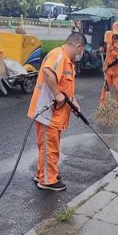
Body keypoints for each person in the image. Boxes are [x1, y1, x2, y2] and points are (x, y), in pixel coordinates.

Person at [27, 32, 86, 191]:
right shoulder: (58, 55)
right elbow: (47, 72)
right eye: (81, 52)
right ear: (77, 46)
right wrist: (56, 94)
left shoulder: (67, 61)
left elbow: (65, 88)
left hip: (55, 114)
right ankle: (47, 180)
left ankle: (44, 173)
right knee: (49, 148)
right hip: (48, 112)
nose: (80, 55)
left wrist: (73, 103)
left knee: (48, 146)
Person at [99, 21, 118, 106]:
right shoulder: (108, 34)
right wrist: (101, 46)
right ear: (112, 30)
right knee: (106, 87)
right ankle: (102, 106)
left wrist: (107, 67)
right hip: (108, 68)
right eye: (115, 33)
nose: (116, 35)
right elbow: (104, 41)